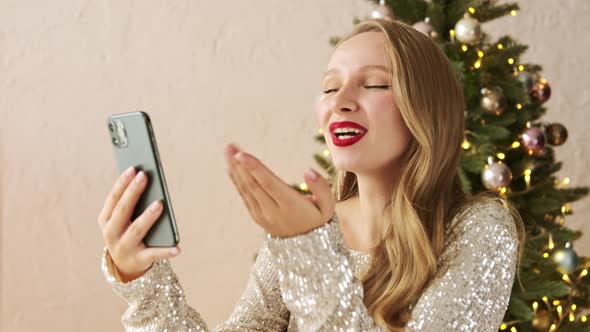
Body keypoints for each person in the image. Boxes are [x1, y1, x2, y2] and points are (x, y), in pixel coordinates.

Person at [97, 18, 526, 331]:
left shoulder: (481, 226)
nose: (340, 100)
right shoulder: (309, 227)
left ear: (427, 109)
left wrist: (307, 250)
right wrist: (142, 281)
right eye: (328, 87)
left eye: (373, 83)